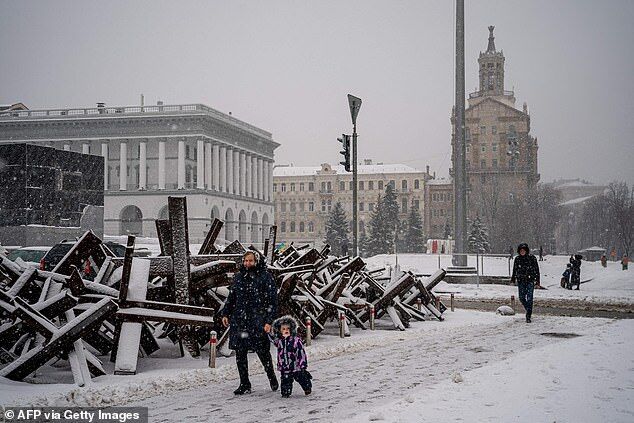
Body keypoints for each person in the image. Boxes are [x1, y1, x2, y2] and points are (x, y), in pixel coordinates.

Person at [221, 250, 279, 395]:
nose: (247, 263)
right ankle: (244, 383)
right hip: (240, 320)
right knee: (240, 354)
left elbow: (272, 301)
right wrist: (226, 313)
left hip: (257, 321)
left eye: (250, 261)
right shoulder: (239, 277)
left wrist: (268, 321)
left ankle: (271, 377)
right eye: (245, 261)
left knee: (263, 353)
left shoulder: (265, 277)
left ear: (256, 261)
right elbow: (232, 297)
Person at [269, 315, 312, 398]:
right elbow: (272, 339)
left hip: (296, 365)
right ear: (279, 331)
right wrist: (268, 333)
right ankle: (285, 392)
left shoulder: (295, 340)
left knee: (301, 377)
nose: (286, 331)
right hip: (285, 366)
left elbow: (301, 352)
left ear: (291, 329)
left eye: (288, 329)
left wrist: (302, 364)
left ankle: (307, 387)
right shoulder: (279, 341)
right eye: (283, 329)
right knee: (285, 380)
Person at [510, 243, 540, 323]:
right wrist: (513, 279)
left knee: (530, 298)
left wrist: (537, 281)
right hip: (521, 281)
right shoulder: (517, 259)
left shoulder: (532, 258)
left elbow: (537, 270)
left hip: (530, 281)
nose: (522, 252)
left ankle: (528, 315)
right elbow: (514, 270)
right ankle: (528, 309)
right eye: (521, 251)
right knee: (521, 297)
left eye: (524, 250)